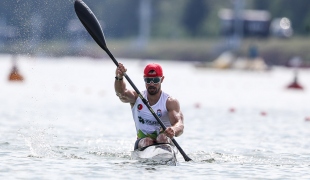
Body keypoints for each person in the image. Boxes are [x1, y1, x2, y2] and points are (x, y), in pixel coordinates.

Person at [114, 62, 184, 150]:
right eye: (148, 80)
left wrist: (173, 130)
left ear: (162, 79)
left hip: (164, 141)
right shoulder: (137, 97)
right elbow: (121, 93)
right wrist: (119, 77)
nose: (151, 84)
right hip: (143, 143)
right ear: (144, 79)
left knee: (162, 138)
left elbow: (180, 124)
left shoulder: (170, 102)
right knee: (147, 141)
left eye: (155, 80)